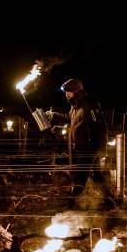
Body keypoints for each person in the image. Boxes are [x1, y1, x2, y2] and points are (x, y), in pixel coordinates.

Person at [46, 78, 114, 209]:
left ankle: (71, 203)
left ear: (76, 91)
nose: (66, 95)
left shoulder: (90, 105)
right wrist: (54, 115)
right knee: (96, 175)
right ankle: (111, 200)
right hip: (81, 148)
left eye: (68, 92)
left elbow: (101, 127)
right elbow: (70, 119)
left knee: (80, 176)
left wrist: (101, 149)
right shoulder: (75, 106)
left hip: (90, 148)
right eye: (66, 92)